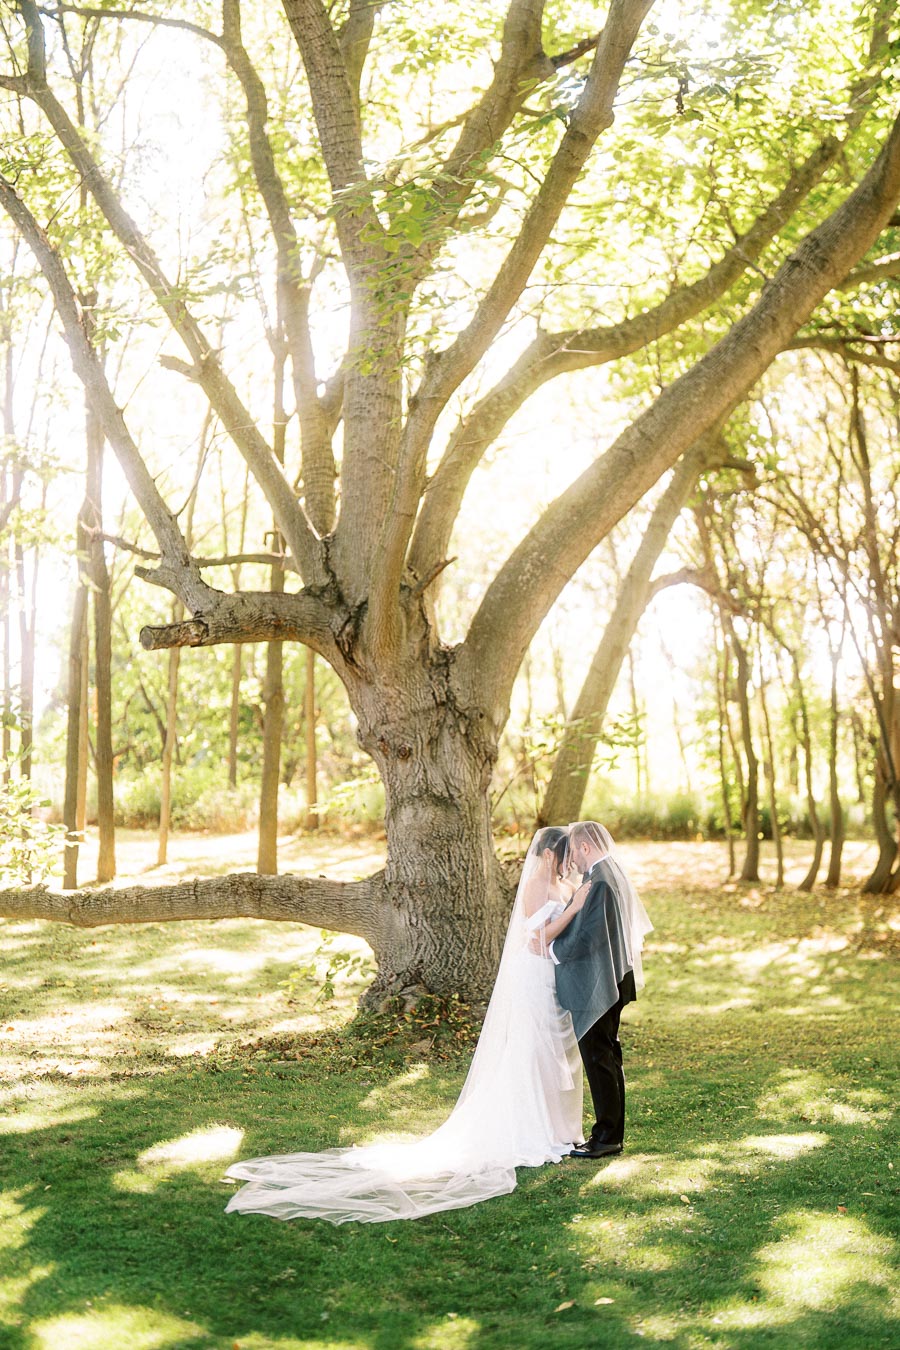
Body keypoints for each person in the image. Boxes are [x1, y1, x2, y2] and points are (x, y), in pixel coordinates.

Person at [223, 826, 589, 1224]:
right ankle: (529, 1129)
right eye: (567, 854)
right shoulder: (537, 883)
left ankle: (556, 1128)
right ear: (552, 855)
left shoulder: (564, 884)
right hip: (532, 977)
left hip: (550, 978)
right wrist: (571, 911)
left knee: (550, 1052)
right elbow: (535, 941)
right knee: (530, 1049)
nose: (571, 861)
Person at [543, 821, 652, 1160]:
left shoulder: (599, 881)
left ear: (585, 847)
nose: (571, 858)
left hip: (599, 982)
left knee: (598, 1057)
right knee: (608, 1054)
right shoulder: (611, 872)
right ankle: (610, 1133)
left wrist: (553, 951)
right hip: (613, 977)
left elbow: (589, 936)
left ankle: (606, 1137)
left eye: (574, 850)